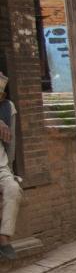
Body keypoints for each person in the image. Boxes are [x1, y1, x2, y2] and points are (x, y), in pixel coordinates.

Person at [0, 72, 22, 260]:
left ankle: (4, 237)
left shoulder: (7, 108)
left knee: (13, 189)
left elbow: (11, 145)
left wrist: (11, 171)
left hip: (1, 167)